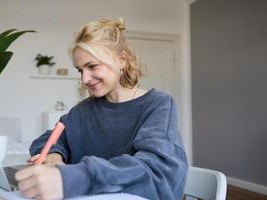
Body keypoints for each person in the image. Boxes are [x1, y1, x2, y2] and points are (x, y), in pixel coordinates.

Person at [15, 18, 188, 200]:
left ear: (122, 60)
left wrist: (74, 179)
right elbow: (48, 139)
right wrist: (54, 155)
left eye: (92, 66)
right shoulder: (82, 111)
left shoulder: (158, 105)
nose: (85, 79)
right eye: (80, 70)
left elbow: (157, 171)